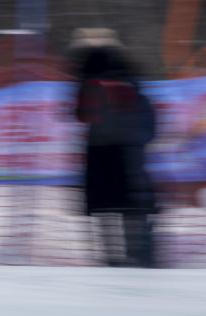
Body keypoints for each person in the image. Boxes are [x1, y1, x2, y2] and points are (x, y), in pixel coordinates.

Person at [72, 42, 158, 267]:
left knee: (105, 217)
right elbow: (150, 131)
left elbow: (79, 116)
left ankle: (111, 262)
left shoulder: (91, 88)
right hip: (131, 165)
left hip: (101, 166)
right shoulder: (136, 90)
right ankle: (138, 258)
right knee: (132, 215)